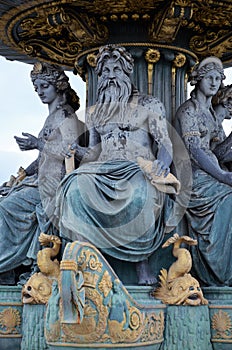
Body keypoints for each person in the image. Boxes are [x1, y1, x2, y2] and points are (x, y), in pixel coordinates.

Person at [55, 45, 175, 285]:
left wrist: (162, 162)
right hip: (102, 169)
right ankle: (87, 262)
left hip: (137, 168)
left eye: (116, 69)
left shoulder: (149, 104)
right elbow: (94, 153)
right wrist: (76, 151)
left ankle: (141, 265)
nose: (110, 76)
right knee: (74, 190)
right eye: (105, 71)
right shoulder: (96, 113)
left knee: (139, 196)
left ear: (127, 72)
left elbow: (165, 143)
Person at [0, 62, 85, 285]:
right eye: (37, 87)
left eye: (44, 86)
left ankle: (7, 264)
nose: (39, 92)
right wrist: (18, 178)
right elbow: (42, 159)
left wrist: (38, 143)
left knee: (7, 208)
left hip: (54, 184)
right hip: (41, 180)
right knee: (6, 199)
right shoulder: (53, 116)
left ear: (58, 87)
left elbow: (69, 152)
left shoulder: (67, 117)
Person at [175, 57, 232, 286]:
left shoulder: (210, 114)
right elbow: (195, 150)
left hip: (212, 172)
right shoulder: (187, 111)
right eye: (209, 77)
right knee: (228, 199)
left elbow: (216, 151)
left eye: (218, 78)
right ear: (198, 79)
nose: (214, 82)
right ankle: (218, 271)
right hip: (193, 176)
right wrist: (223, 176)